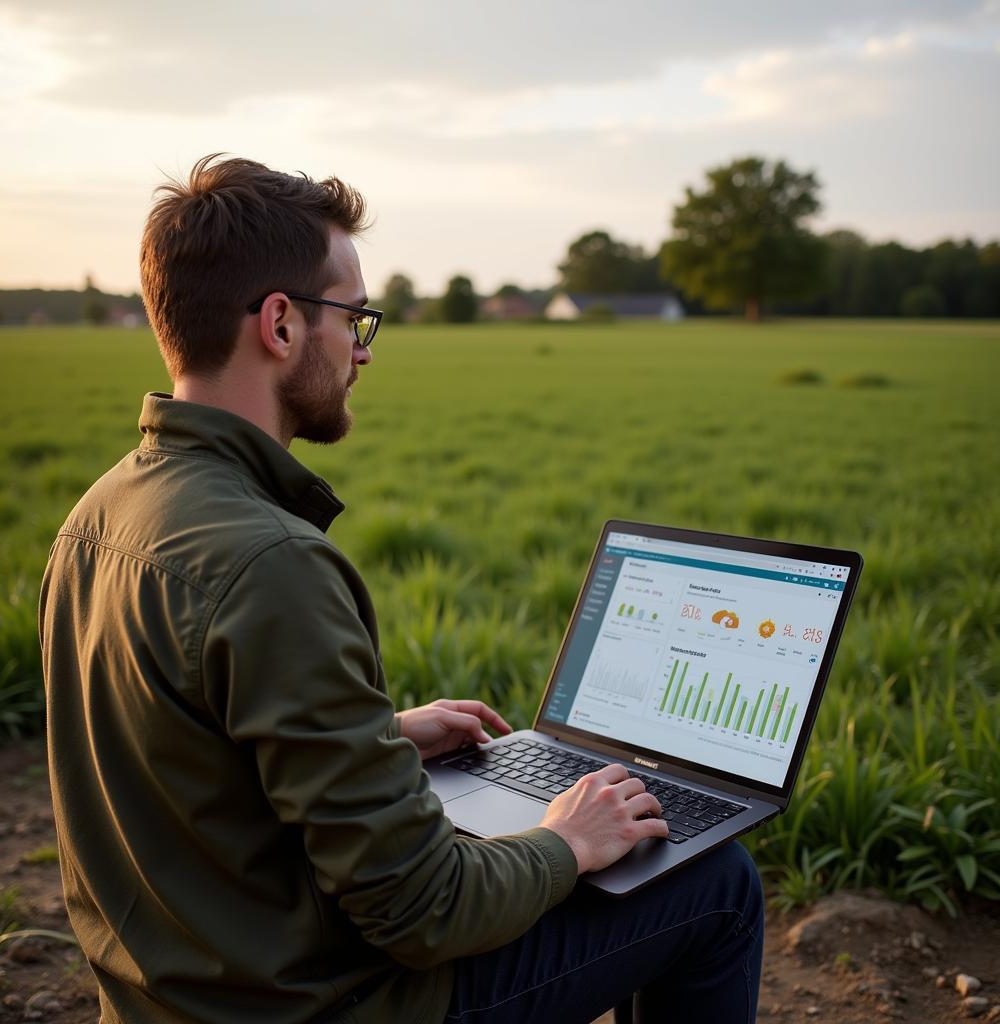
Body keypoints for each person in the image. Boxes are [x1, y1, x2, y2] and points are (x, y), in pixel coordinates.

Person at [39, 154, 763, 1024]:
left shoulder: (100, 511)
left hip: (174, 994)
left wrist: (376, 740)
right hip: (315, 1008)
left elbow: (185, 760)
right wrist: (566, 841)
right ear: (280, 324)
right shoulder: (271, 564)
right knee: (717, 884)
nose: (364, 350)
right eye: (355, 316)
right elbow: (424, 912)